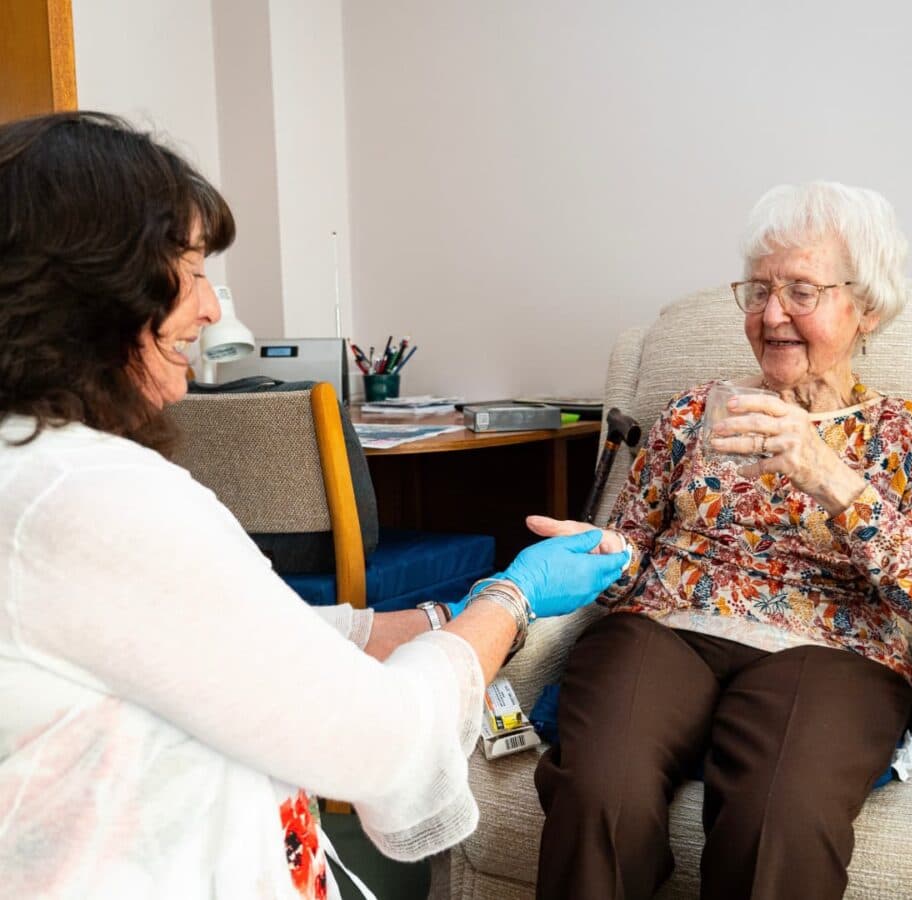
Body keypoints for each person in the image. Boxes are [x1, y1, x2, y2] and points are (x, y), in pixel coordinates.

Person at [0, 112, 629, 900]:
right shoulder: (97, 499)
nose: (209, 311)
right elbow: (382, 739)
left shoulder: (31, 467)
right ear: (94, 285)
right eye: (191, 270)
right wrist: (511, 595)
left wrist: (450, 614)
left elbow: (244, 637)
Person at [529, 181, 912, 900]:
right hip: (661, 629)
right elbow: (633, 555)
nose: (772, 315)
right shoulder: (689, 413)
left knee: (781, 818)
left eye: (801, 291)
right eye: (759, 291)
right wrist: (600, 554)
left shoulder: (908, 435)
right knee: (600, 790)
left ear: (865, 307)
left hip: (834, 652)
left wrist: (826, 473)